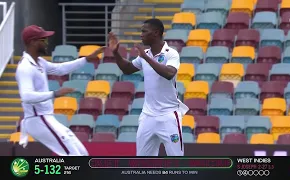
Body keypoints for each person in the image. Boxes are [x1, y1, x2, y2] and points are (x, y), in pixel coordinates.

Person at [16, 25, 105, 156]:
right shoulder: (25, 67)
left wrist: (85, 59)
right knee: (74, 156)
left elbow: (60, 69)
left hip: (46, 118)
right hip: (37, 119)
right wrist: (55, 93)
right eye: (43, 40)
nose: (47, 43)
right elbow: (26, 96)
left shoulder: (39, 62)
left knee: (82, 153)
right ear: (32, 42)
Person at [108, 19, 189, 156]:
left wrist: (146, 58)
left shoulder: (171, 53)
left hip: (169, 116)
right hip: (148, 117)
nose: (141, 35)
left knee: (177, 162)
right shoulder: (145, 55)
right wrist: (116, 53)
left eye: (144, 31)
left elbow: (169, 73)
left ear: (156, 33)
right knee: (143, 164)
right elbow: (127, 69)